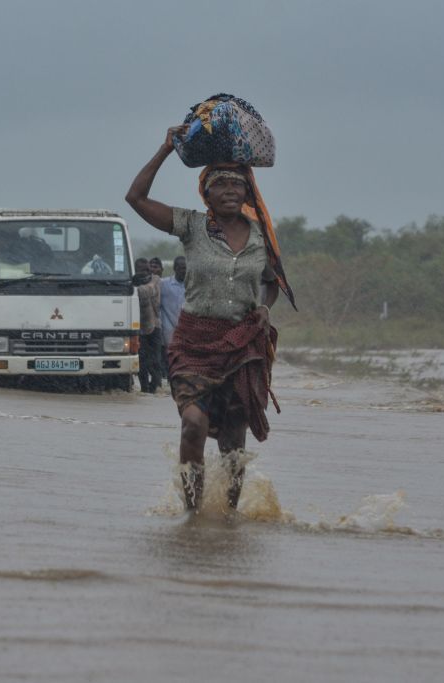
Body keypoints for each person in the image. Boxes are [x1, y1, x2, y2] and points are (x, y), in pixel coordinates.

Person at [125, 125, 296, 511]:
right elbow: (135, 197)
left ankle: (228, 517)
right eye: (221, 185)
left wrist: (264, 309)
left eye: (238, 185)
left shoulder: (260, 237)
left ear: (248, 193)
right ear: (206, 193)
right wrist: (166, 148)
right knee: (193, 425)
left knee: (233, 442)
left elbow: (272, 284)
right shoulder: (191, 226)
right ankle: (193, 512)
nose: (231, 191)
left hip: (241, 347)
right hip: (194, 344)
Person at [133, 257, 163, 394]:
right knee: (142, 362)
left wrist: (133, 287)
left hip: (155, 325)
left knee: (156, 360)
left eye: (146, 269)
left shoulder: (155, 279)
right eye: (141, 270)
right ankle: (145, 389)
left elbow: (148, 290)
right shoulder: (132, 282)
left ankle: (155, 387)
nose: (144, 272)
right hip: (139, 328)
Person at [159, 256, 187, 379]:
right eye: (181, 268)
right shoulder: (164, 284)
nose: (184, 271)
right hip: (168, 327)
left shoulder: (191, 286)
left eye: (186, 268)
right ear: (175, 268)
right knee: (169, 357)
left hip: (186, 328)